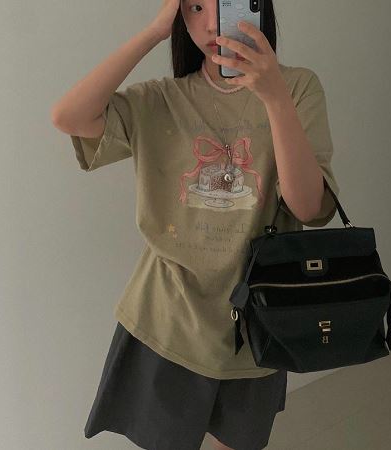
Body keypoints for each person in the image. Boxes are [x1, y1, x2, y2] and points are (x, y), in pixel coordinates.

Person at [51, 1, 340, 449]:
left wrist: (274, 96)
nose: (210, 23)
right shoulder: (162, 99)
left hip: (258, 324)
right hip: (166, 318)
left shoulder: (298, 88)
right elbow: (68, 116)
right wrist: (152, 32)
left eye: (223, 3)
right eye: (194, 6)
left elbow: (307, 208)